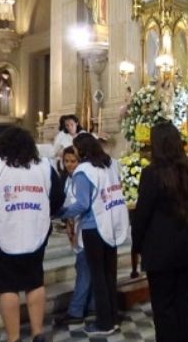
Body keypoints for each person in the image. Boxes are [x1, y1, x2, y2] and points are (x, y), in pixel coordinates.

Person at [0, 126, 64, 342]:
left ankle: (13, 337)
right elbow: (58, 198)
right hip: (36, 231)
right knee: (35, 281)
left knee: (7, 286)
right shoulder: (44, 167)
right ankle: (37, 332)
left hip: (4, 232)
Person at [133, 122, 188, 342]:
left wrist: (137, 244)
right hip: (186, 245)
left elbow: (142, 213)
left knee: (163, 307)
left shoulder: (151, 173)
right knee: (183, 303)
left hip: (160, 250)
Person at [59, 133, 129, 336]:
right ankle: (113, 318)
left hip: (93, 227)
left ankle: (104, 323)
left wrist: (61, 212)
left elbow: (82, 203)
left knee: (98, 276)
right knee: (109, 275)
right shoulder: (110, 165)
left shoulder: (83, 171)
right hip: (111, 224)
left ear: (81, 150)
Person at [54, 146, 95, 326]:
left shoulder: (83, 177)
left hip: (86, 228)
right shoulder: (66, 179)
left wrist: (62, 214)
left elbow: (81, 204)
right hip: (75, 229)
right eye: (67, 161)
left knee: (84, 269)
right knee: (85, 269)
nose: (70, 165)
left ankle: (76, 310)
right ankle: (92, 305)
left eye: (73, 161)